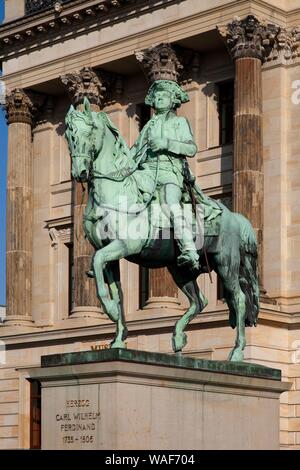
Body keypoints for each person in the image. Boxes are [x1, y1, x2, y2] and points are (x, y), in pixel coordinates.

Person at [130, 79, 220, 270]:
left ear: (173, 101)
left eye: (164, 95)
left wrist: (166, 144)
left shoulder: (179, 122)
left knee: (170, 204)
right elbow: (134, 152)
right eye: (157, 96)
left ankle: (188, 249)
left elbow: (191, 148)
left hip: (171, 173)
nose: (159, 98)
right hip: (146, 173)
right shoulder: (148, 126)